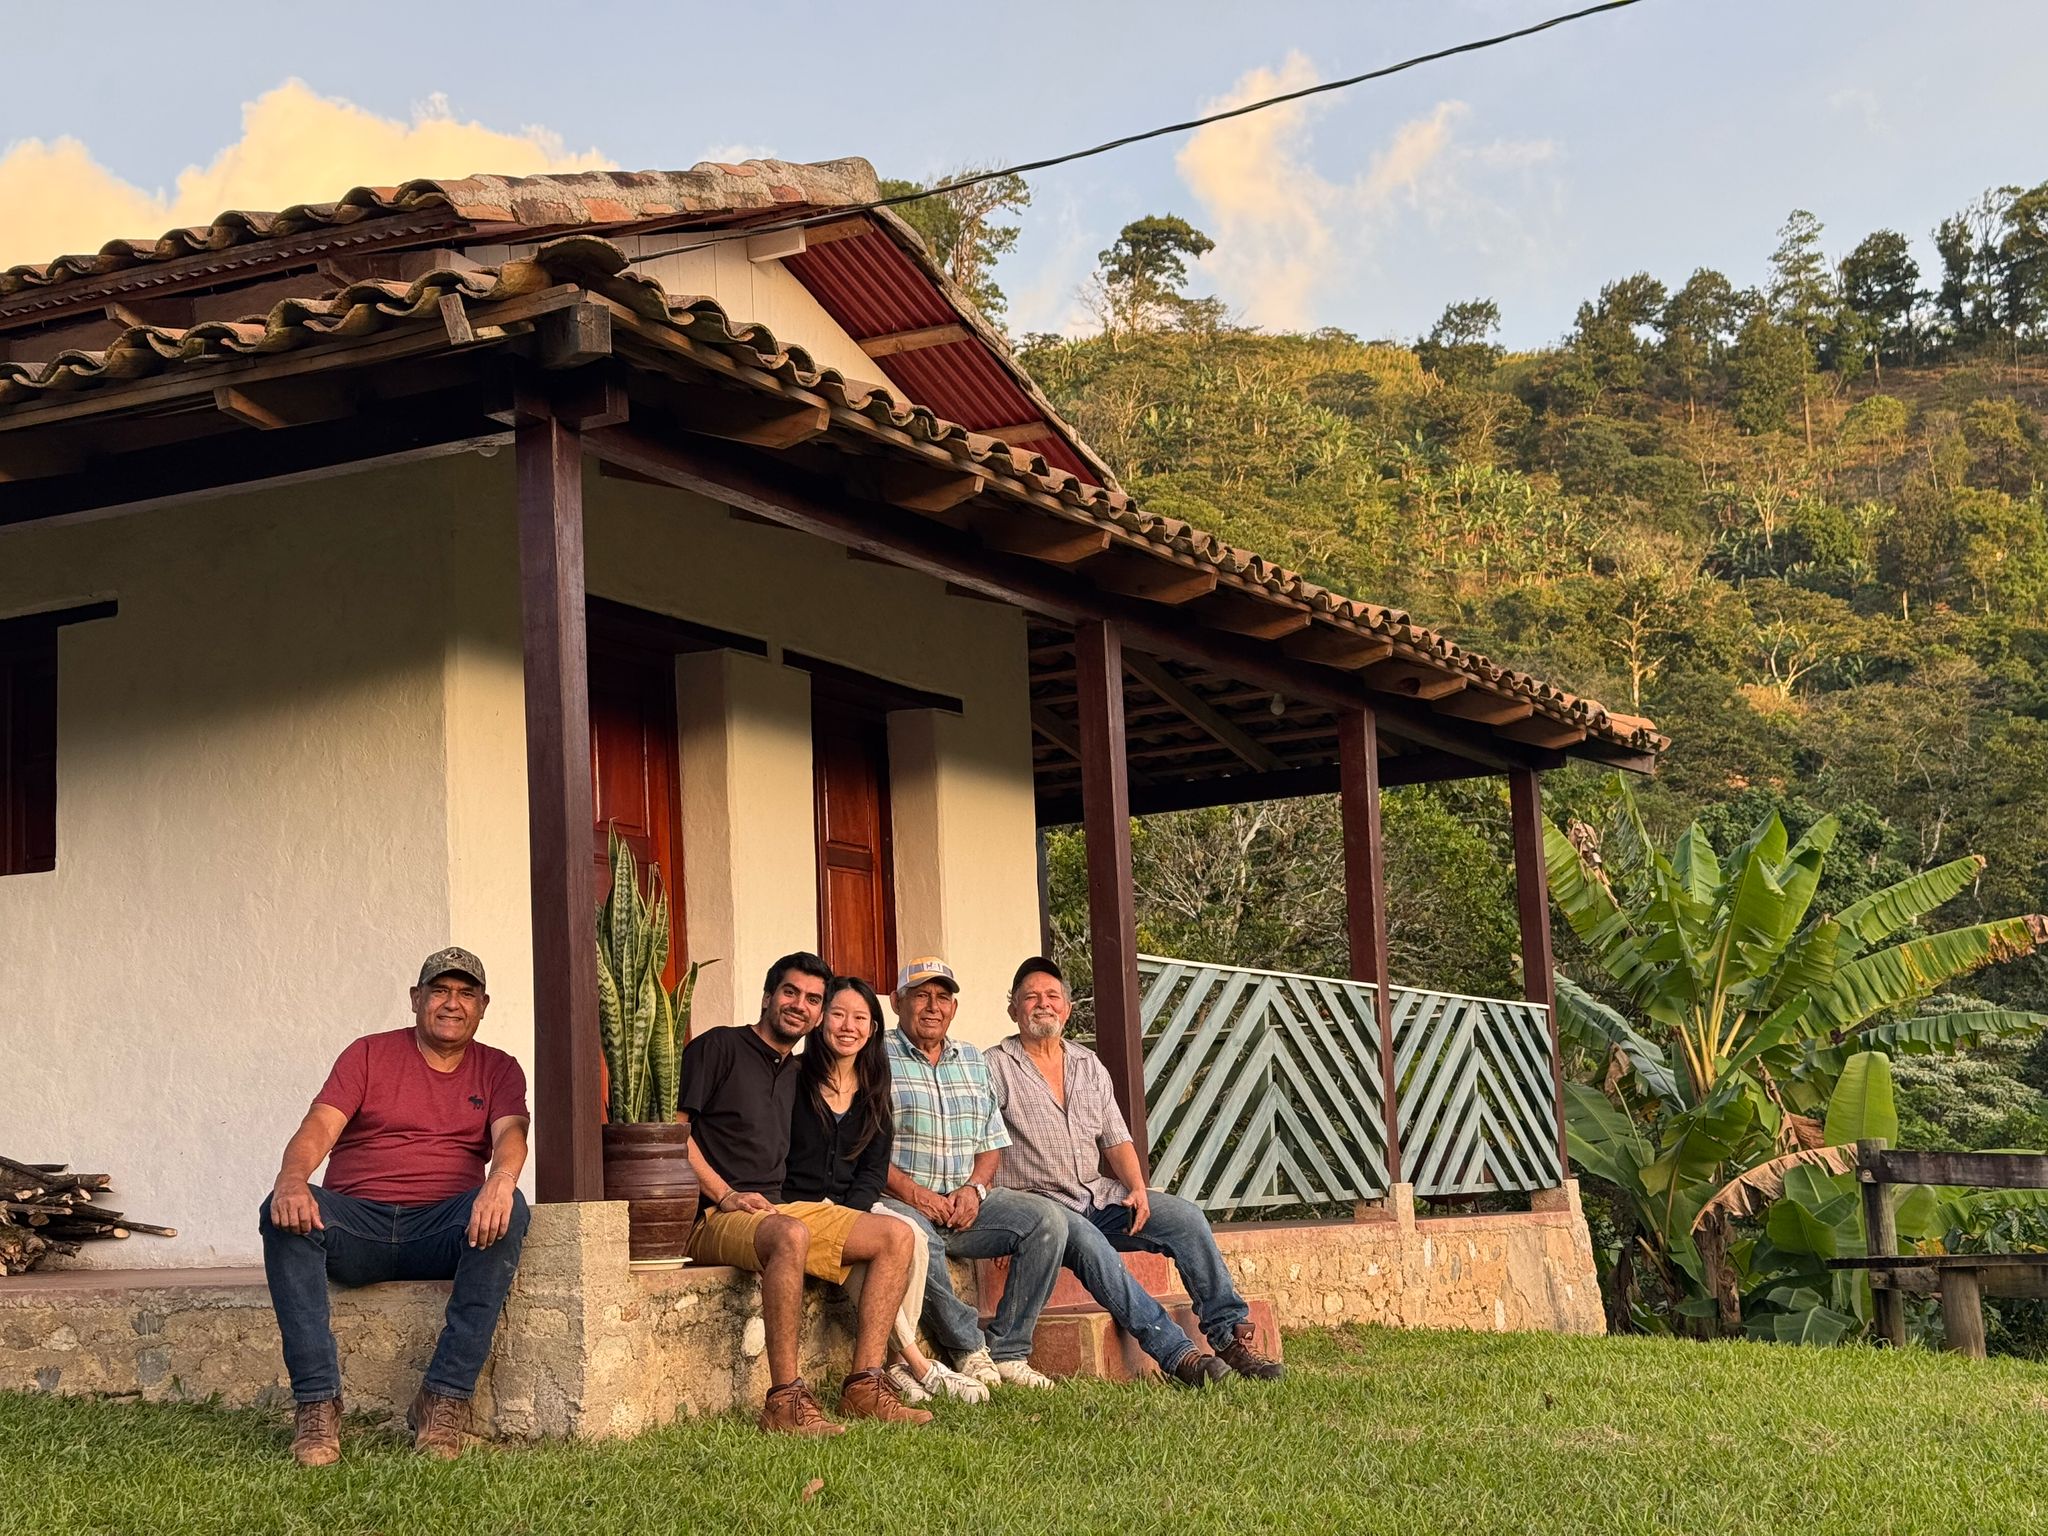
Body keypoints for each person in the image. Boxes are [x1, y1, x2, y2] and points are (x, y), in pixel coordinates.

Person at [259, 947, 532, 1466]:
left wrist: (501, 1180)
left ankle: (444, 1398)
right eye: (439, 990)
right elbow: (320, 1125)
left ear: (483, 1006)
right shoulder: (368, 1054)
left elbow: (511, 1135)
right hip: (357, 1224)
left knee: (510, 1209)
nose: (452, 1003)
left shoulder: (499, 1069)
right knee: (282, 1211)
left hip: (441, 1229)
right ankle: (317, 1405)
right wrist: (292, 1179)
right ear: (415, 998)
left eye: (466, 994)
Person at [987, 956, 1285, 1386]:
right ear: (1013, 1008)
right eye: (1031, 997)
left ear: (1067, 1009)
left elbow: (1115, 1138)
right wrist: (1006, 1219)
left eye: (1052, 996)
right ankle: (1181, 1357)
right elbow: (983, 1144)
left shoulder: (1088, 1064)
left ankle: (1229, 1336)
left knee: (1184, 1218)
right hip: (1044, 1210)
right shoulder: (993, 1067)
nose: (1043, 1004)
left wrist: (1137, 1188)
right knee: (1092, 1244)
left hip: (1097, 1197)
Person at [679, 952, 932, 1434]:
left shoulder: (797, 1074)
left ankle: (864, 1384)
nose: (800, 1005)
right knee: (789, 1234)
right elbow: (675, 1133)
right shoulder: (719, 1047)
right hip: (715, 1214)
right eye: (791, 992)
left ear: (817, 1015)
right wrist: (726, 1194)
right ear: (768, 996)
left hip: (779, 1208)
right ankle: (784, 1400)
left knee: (897, 1236)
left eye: (813, 999)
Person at [785, 975, 988, 1406]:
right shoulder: (795, 1080)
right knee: (895, 1239)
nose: (848, 1026)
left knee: (913, 1239)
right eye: (838, 1014)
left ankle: (894, 1367)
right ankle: (914, 1364)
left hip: (851, 1208)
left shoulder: (874, 1086)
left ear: (873, 1028)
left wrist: (853, 1215)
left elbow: (873, 1169)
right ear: (820, 1020)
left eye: (860, 1018)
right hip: (800, 1208)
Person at [880, 956, 1066, 1390]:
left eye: (943, 997)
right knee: (915, 1236)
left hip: (964, 1206)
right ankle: (968, 1348)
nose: (933, 1007)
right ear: (897, 1002)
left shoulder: (971, 1059)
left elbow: (991, 1143)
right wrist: (915, 1195)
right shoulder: (874, 1057)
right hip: (900, 1200)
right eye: (921, 996)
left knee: (1047, 1221)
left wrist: (975, 1189)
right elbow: (864, 1149)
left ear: (954, 1008)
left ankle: (1009, 1350)